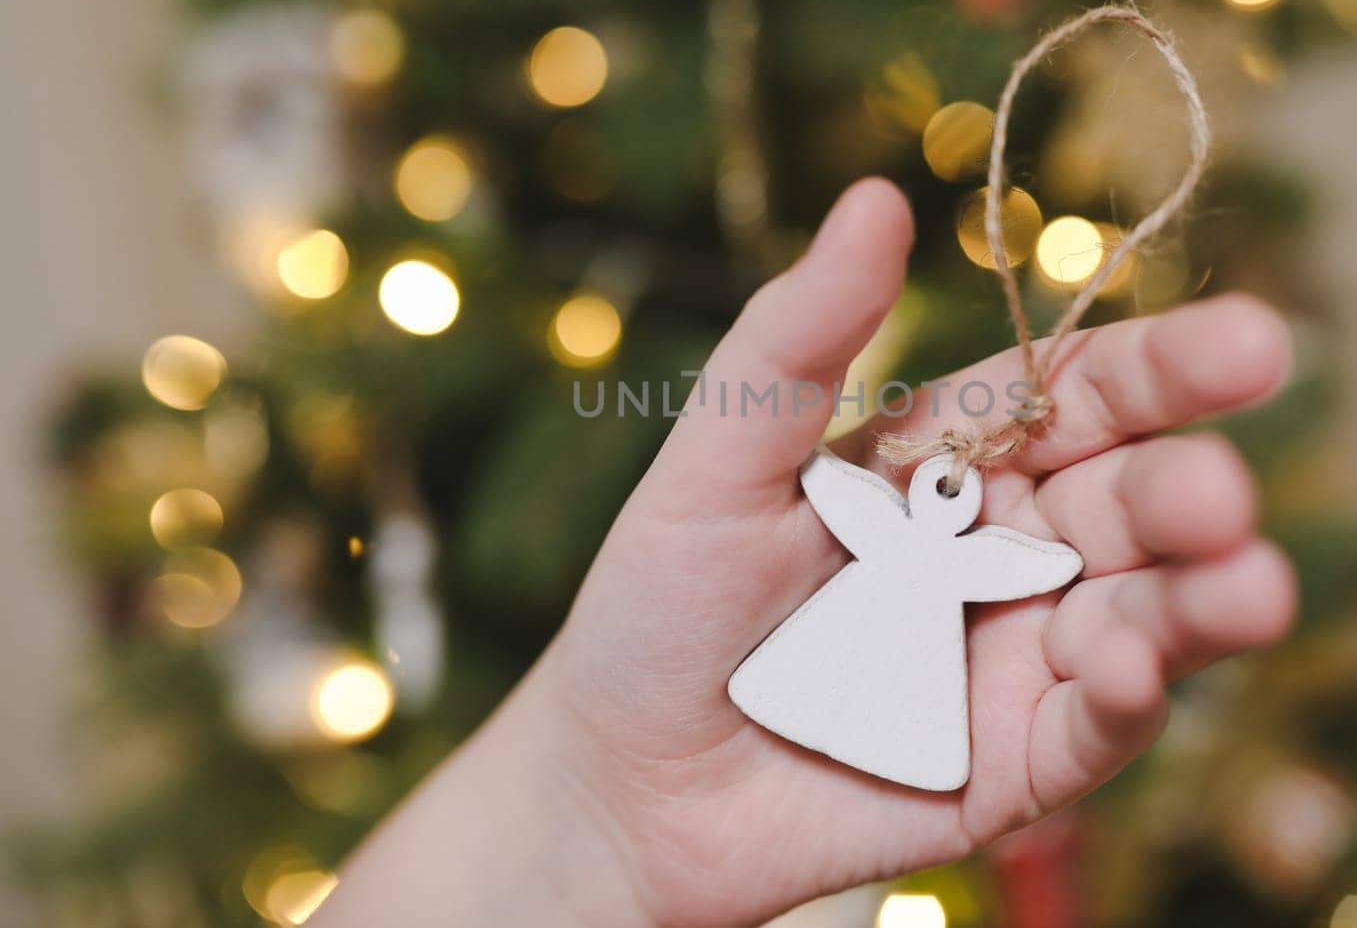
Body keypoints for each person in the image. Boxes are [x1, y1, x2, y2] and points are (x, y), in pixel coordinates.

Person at [311, 178, 1297, 927]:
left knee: (903, 700)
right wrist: (593, 790)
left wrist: (590, 811)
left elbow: (1014, 563)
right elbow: (891, 513)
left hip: (881, 655)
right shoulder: (903, 528)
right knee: (843, 681)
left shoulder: (929, 541)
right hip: (812, 666)